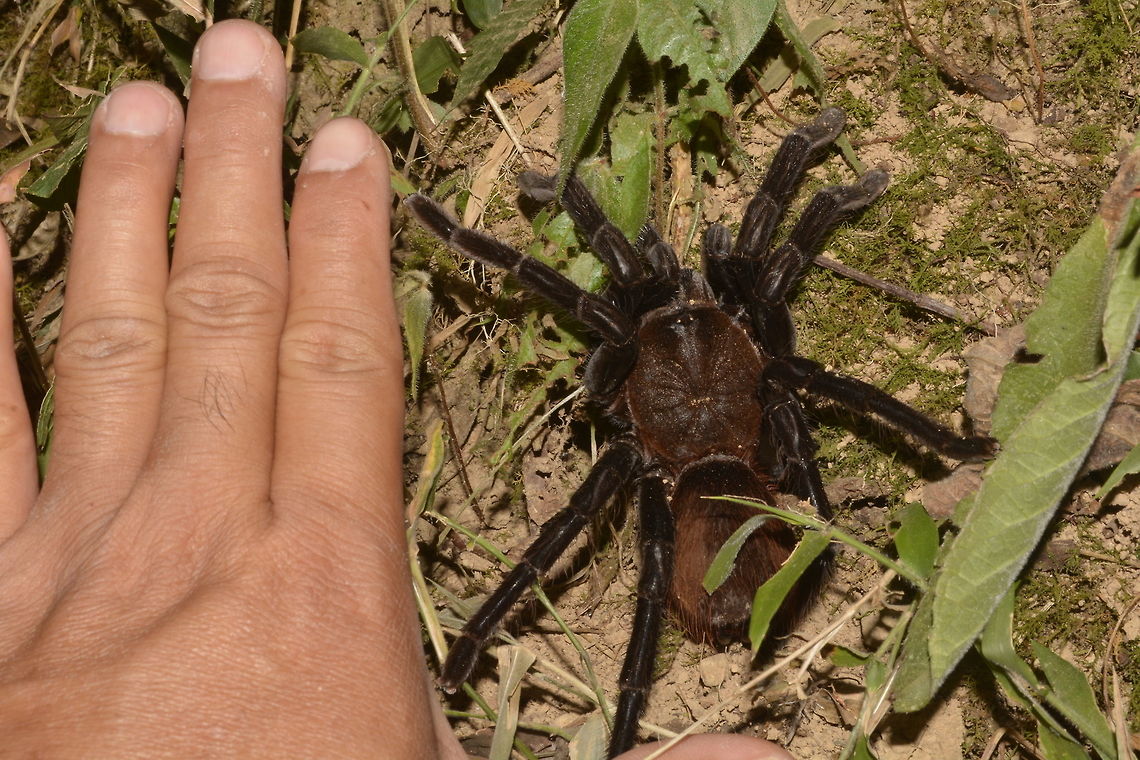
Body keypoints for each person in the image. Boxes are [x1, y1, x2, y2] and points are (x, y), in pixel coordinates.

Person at [0, 19, 794, 760]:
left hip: (704, 476)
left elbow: (573, 319)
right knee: (633, 543)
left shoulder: (635, 393)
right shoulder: (759, 357)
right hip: (722, 477)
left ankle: (516, 658)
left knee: (612, 538)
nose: (684, 312)